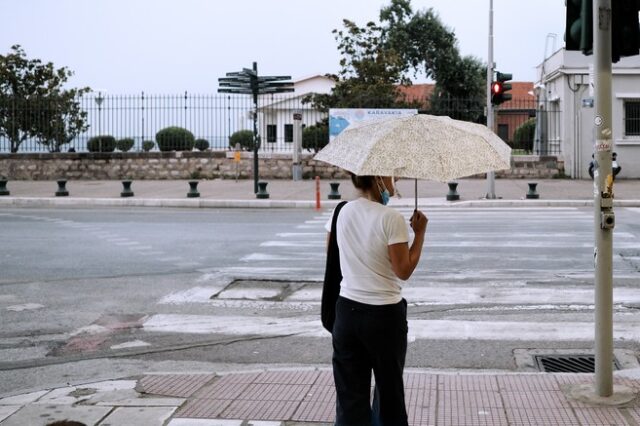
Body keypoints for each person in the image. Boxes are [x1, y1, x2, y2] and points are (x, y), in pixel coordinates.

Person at [326, 173, 428, 426]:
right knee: (389, 395)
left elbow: (333, 257)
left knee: (350, 398)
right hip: (384, 317)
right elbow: (403, 270)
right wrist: (420, 234)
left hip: (346, 314)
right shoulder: (390, 218)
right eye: (391, 177)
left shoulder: (340, 213)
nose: (394, 183)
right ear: (379, 179)